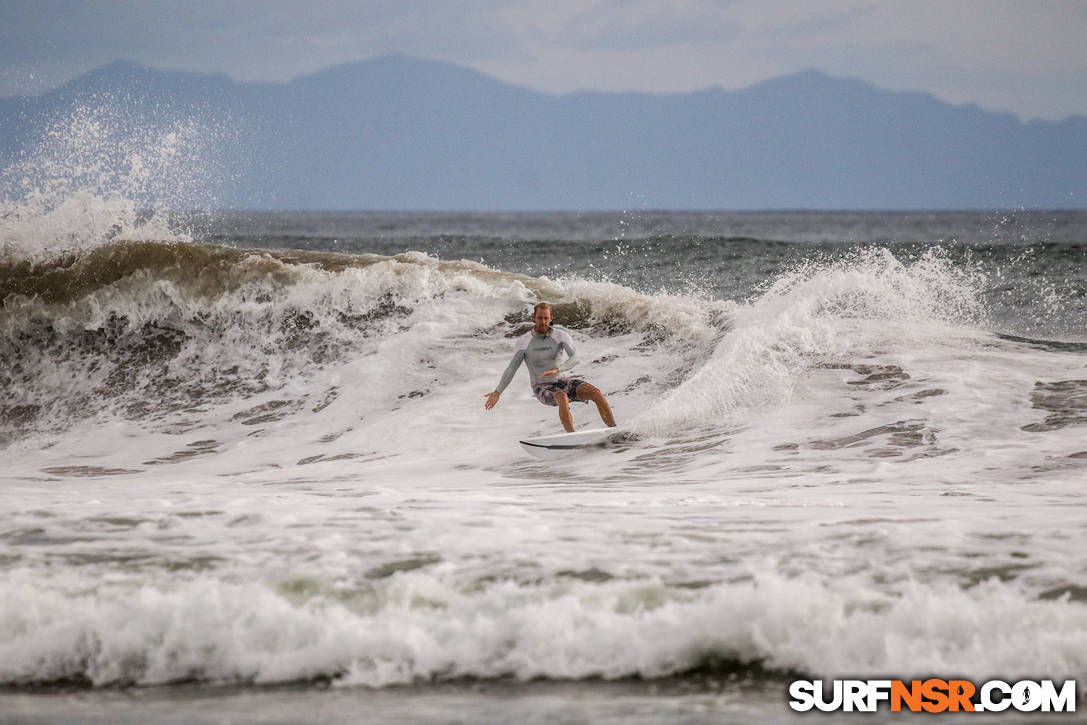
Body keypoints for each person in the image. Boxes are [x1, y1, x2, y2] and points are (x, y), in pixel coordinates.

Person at [484, 302, 616, 433]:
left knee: (596, 393)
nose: (543, 322)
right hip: (541, 387)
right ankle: (572, 437)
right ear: (533, 318)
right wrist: (497, 392)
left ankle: (614, 430)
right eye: (540, 318)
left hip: (562, 380)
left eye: (546, 318)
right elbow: (512, 368)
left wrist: (558, 369)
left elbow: (575, 359)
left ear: (551, 318)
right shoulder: (524, 341)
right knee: (562, 397)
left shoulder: (560, 336)